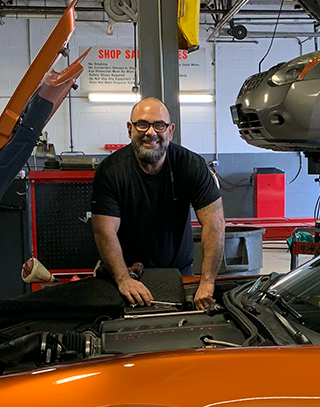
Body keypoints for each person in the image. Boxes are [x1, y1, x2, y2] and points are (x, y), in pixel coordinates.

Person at [91, 97, 225, 310]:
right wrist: (123, 279)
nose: (150, 132)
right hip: (126, 274)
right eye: (142, 124)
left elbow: (215, 224)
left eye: (159, 125)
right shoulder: (110, 172)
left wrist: (207, 282)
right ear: (130, 129)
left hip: (178, 272)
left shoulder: (192, 166)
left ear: (170, 131)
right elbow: (104, 231)